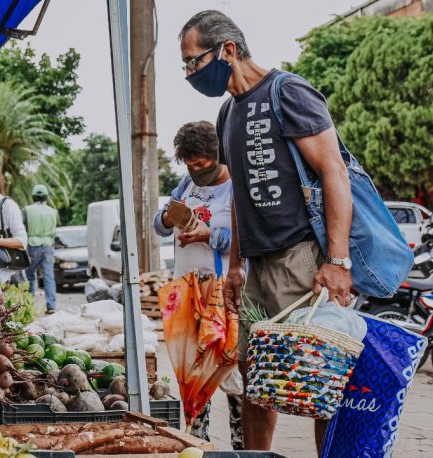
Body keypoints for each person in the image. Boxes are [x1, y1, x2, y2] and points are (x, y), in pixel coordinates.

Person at [179, 10, 354, 452]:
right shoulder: (227, 113)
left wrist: (337, 261)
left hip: (301, 259)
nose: (189, 73)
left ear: (228, 51)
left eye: (193, 62)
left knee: (318, 381)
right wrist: (236, 265)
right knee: (256, 380)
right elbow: (239, 196)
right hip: (257, 267)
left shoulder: (287, 91)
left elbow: (333, 172)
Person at [153, 121, 243, 449]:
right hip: (184, 291)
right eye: (188, 163)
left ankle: (240, 444)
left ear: (216, 155)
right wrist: (168, 218)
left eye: (200, 163)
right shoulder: (185, 184)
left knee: (227, 368)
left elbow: (247, 239)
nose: (194, 169)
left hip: (219, 292)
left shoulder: (236, 186)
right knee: (191, 371)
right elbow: (159, 224)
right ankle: (198, 442)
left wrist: (209, 234)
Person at [23, 184, 58, 314]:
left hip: (32, 245)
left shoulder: (26, 210)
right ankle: (51, 306)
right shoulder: (53, 211)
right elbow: (54, 230)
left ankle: (29, 304)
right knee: (49, 276)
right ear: (46, 197)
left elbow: (22, 228)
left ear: (33, 197)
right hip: (48, 246)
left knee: (30, 275)